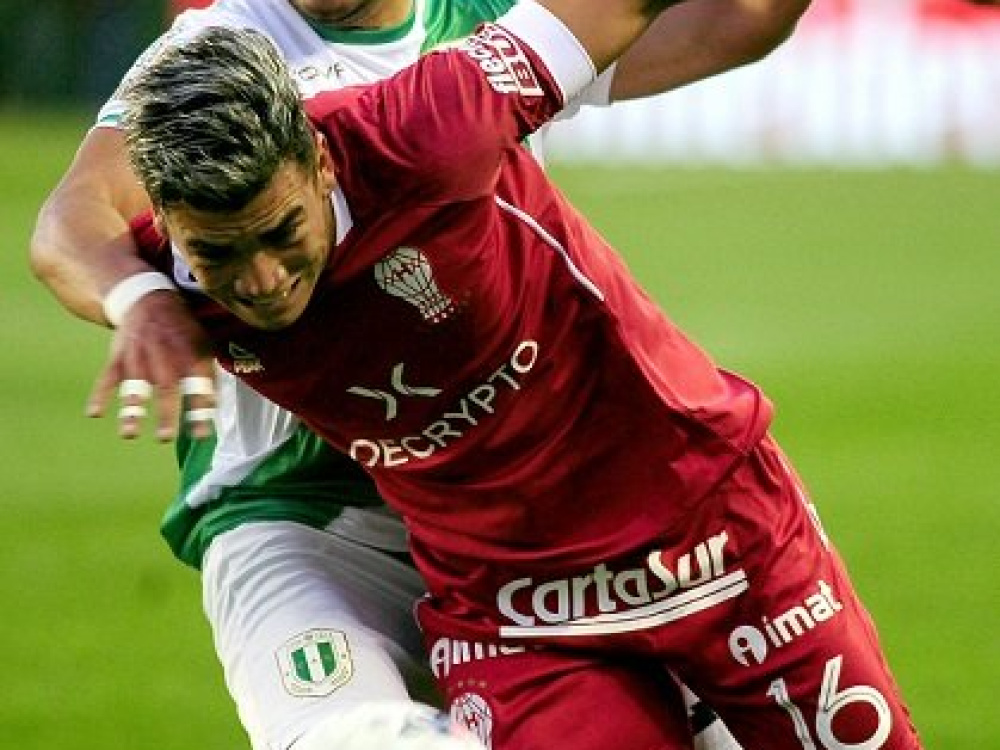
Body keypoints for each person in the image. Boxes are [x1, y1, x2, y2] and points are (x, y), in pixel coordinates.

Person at [112, 1, 923, 747]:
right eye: (216, 252)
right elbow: (71, 222)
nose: (259, 281)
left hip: (697, 524)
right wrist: (139, 298)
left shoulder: (436, 111)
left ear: (320, 166)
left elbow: (707, 14)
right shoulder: (207, 61)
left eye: (281, 232)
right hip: (477, 580)